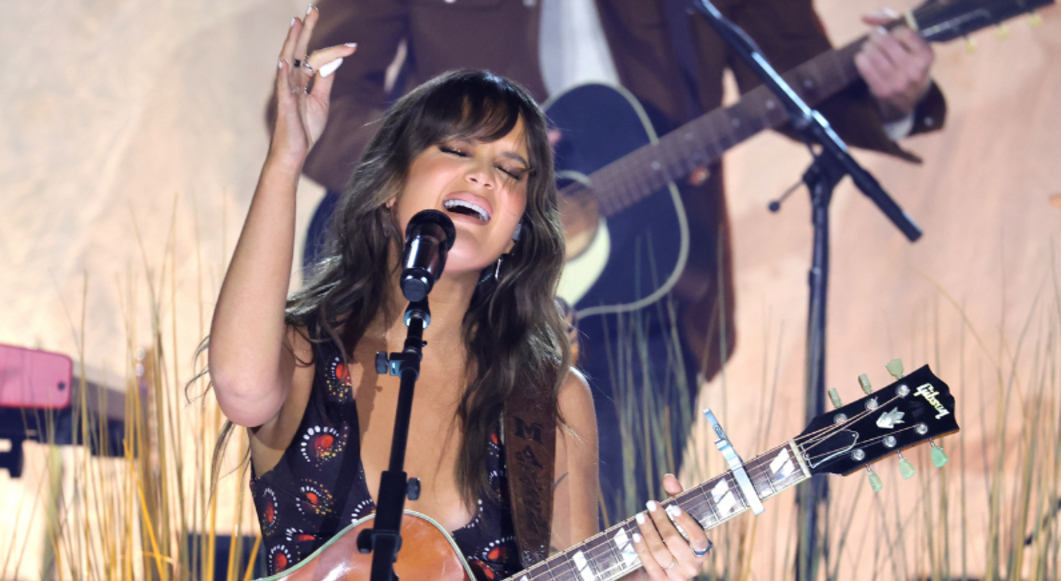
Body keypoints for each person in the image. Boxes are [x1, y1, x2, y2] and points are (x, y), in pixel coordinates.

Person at [279, 0, 946, 530]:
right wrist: (453, 171)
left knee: (614, 552)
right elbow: (328, 99)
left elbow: (793, 73)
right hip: (462, 303)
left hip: (653, 298)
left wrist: (891, 99)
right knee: (446, 545)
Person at [207, 9, 711, 581]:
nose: (485, 176)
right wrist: (286, 158)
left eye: (512, 169)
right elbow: (241, 387)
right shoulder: (307, 354)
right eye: (457, 150)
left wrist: (644, 578)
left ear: (518, 229)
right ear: (390, 184)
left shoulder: (551, 397)